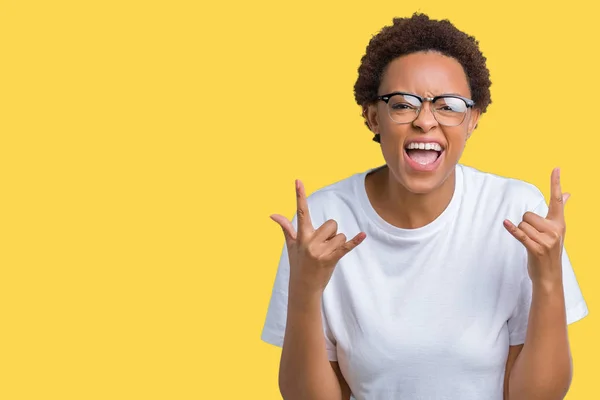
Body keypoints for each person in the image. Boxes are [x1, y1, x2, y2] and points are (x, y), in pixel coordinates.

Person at [260, 13, 588, 400]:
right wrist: (305, 292)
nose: (426, 121)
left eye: (448, 106)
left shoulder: (516, 210)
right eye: (402, 104)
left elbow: (537, 397)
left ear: (473, 120)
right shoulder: (324, 223)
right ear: (372, 117)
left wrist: (548, 279)